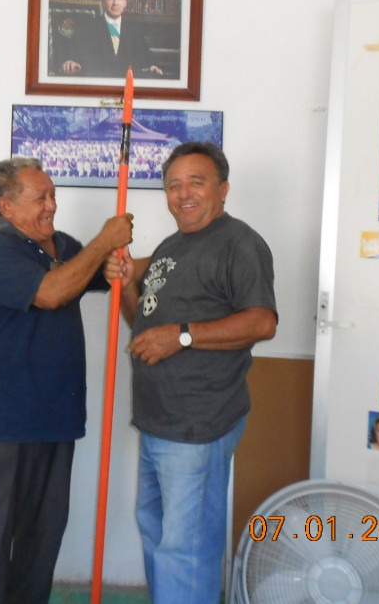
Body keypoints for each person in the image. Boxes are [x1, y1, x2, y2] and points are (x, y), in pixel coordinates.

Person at [0, 157, 133, 604]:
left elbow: (95, 273)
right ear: (7, 206)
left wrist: (116, 265)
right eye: (40, 197)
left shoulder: (62, 245)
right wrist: (103, 243)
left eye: (52, 195)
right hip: (2, 423)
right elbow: (51, 293)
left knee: (41, 540)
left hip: (55, 420)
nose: (51, 205)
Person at [105, 141, 278, 604]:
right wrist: (125, 282)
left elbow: (263, 322)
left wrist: (181, 336)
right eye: (173, 185)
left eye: (196, 183)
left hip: (197, 423)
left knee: (186, 550)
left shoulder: (239, 243)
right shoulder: (172, 246)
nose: (183, 194)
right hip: (158, 421)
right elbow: (143, 323)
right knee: (157, 535)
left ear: (223, 189)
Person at [59, 0, 164, 78]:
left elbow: (146, 56)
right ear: (103, 1)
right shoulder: (87, 27)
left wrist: (153, 65)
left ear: (125, 3)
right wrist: (71, 61)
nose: (115, 3)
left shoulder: (134, 30)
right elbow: (74, 54)